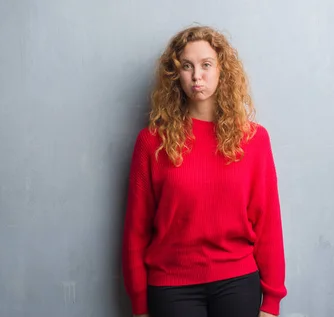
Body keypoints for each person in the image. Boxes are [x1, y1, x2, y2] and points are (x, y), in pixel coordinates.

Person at [121, 25, 287, 317]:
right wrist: (139, 305)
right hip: (171, 288)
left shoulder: (253, 140)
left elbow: (268, 222)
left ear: (222, 70)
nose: (197, 76)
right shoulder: (151, 143)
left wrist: (271, 303)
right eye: (187, 66)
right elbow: (136, 231)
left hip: (237, 283)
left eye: (206, 65)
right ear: (176, 75)